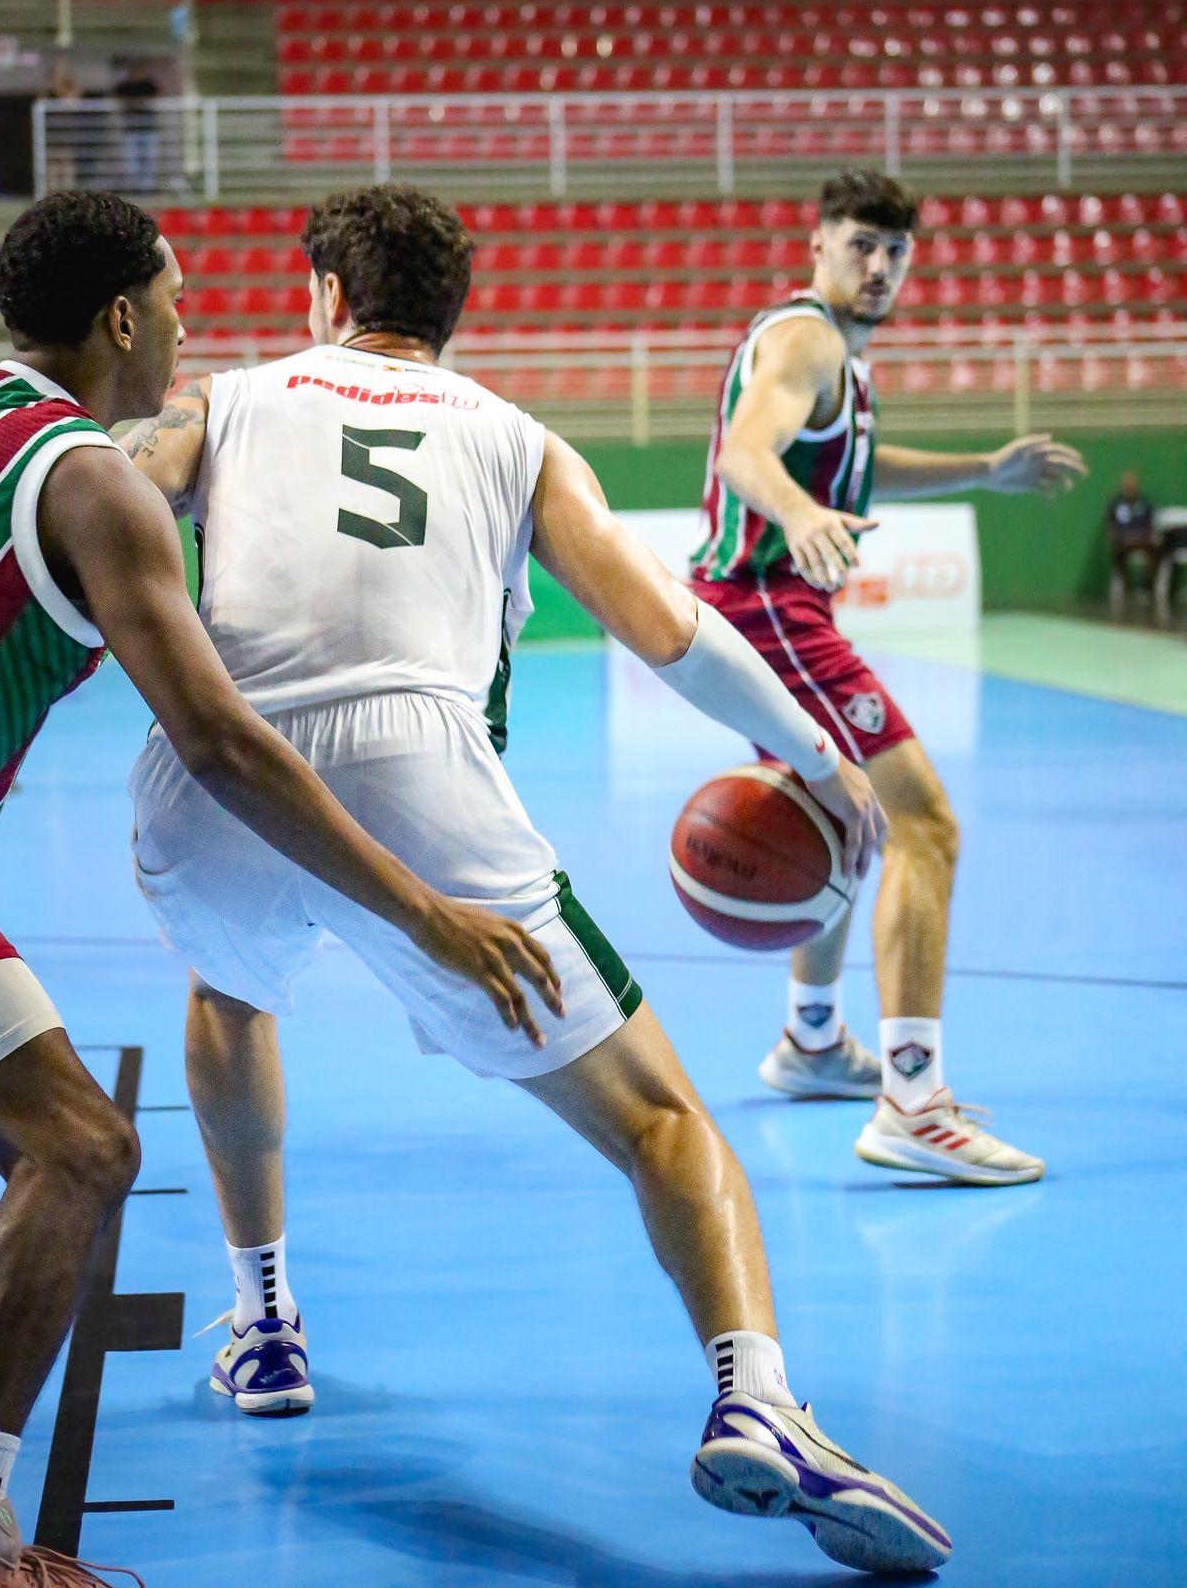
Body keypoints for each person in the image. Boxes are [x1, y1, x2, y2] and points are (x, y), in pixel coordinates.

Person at [121, 183, 952, 1574]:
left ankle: (263, 1324)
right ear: (454, 315)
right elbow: (665, 625)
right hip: (415, 773)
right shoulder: (517, 437)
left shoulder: (230, 397)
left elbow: (108, 494)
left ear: (325, 292)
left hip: (213, 774)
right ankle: (758, 1398)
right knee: (665, 1124)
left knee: (227, 990)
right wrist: (812, 751)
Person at [0, 190, 566, 1588]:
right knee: (81, 1149)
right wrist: (422, 911)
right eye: (176, 294)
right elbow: (222, 740)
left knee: (69, 1149)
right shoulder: (93, 486)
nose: (191, 320)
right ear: (123, 317)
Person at [692, 168, 1087, 1184]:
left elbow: (858, 467)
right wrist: (801, 513)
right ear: (819, 244)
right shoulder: (807, 336)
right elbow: (746, 453)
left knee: (844, 820)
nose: (878, 266)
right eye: (860, 244)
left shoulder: (845, 369)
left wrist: (984, 469)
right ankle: (913, 1100)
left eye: (895, 251)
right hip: (769, 602)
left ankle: (812, 1041)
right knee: (925, 824)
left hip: (764, 606)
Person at [1106, 470, 1158, 599]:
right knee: (1117, 554)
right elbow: (1110, 525)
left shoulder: (1144, 503)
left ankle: (1147, 588)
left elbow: (1150, 525)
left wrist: (1142, 536)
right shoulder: (1116, 503)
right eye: (1127, 484)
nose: (1129, 487)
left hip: (1142, 540)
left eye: (1132, 484)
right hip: (1123, 541)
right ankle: (1127, 588)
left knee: (1156, 553)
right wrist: (1118, 537)